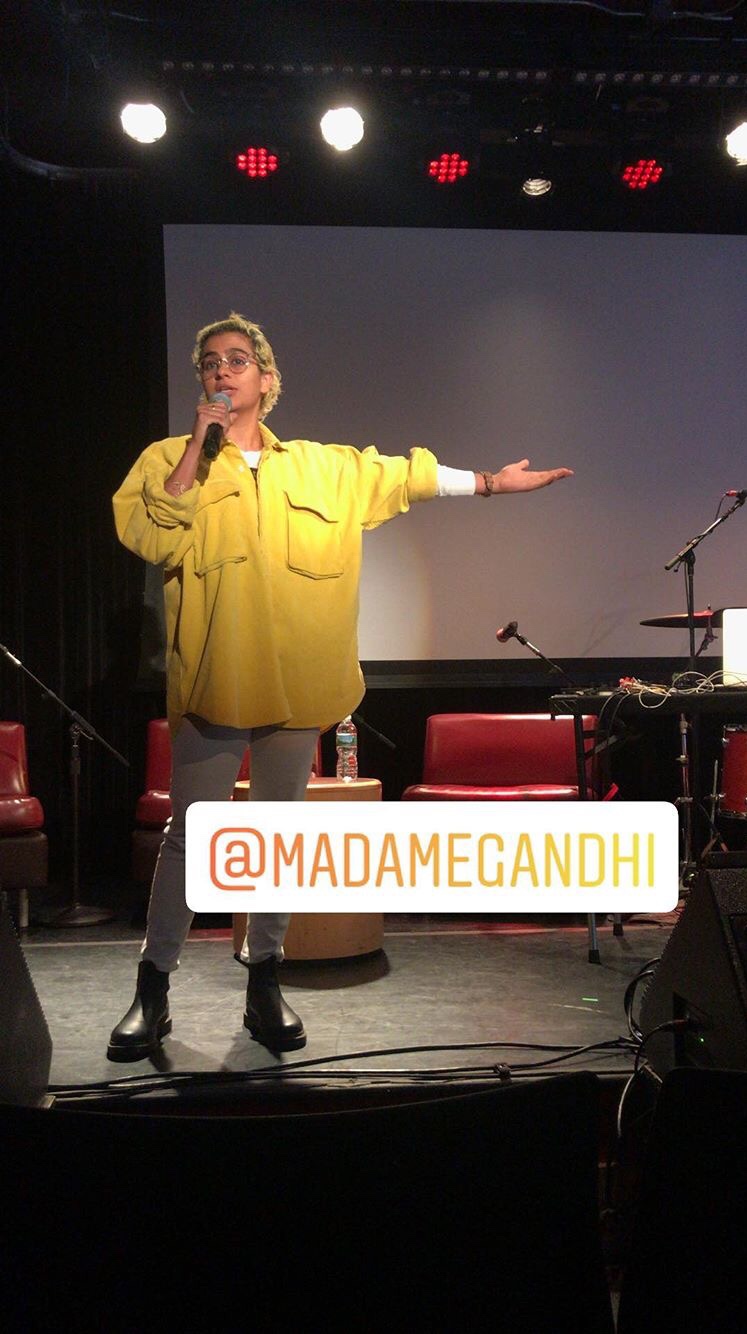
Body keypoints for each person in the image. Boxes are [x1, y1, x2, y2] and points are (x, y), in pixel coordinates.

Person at [108, 312, 573, 1062]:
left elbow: (408, 477)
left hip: (298, 686)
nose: (221, 371)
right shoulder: (169, 459)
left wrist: (490, 483)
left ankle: (264, 980)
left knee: (277, 836)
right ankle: (152, 989)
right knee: (190, 839)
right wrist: (198, 444)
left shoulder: (323, 468)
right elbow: (151, 535)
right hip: (216, 680)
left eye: (236, 360)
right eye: (210, 363)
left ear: (266, 378)